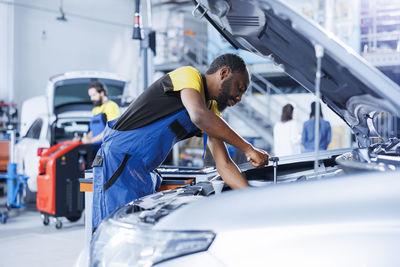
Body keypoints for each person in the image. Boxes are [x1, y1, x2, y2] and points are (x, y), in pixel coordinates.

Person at [91, 53, 270, 229]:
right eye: (239, 88)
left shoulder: (210, 111)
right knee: (112, 232)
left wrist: (251, 198)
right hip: (118, 162)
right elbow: (198, 116)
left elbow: (224, 164)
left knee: (137, 234)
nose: (239, 98)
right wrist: (248, 148)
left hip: (142, 172)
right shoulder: (189, 76)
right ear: (223, 73)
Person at [74, 81, 120, 155]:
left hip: (108, 151)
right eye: (90, 96)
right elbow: (93, 130)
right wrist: (83, 139)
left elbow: (111, 130)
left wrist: (91, 140)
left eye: (94, 95)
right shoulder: (95, 110)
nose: (92, 98)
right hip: (95, 150)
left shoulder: (111, 106)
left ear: (102, 93)